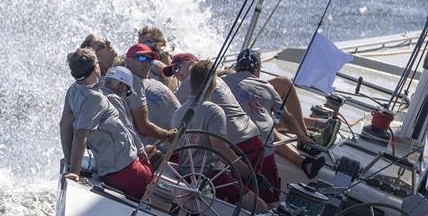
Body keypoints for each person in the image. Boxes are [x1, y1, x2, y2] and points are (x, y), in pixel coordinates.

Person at [169, 54, 280, 204]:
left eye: (177, 68)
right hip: (252, 138)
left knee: (244, 197)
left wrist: (250, 175)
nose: (176, 75)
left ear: (190, 65)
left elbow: (170, 105)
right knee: (251, 196)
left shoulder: (190, 84)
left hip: (238, 145)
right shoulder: (218, 80)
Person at [59, 48, 152, 199]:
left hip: (109, 171)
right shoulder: (95, 98)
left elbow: (64, 126)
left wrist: (69, 162)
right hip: (127, 171)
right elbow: (80, 134)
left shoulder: (73, 90)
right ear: (95, 68)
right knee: (155, 183)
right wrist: (74, 172)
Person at [222, 48, 324, 179]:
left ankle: (303, 154)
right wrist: (302, 136)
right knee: (264, 125)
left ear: (236, 68)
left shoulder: (222, 81)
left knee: (263, 119)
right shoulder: (266, 87)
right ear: (258, 70)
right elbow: (288, 119)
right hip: (249, 140)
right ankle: (303, 155)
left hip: (232, 132)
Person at [124, 43, 179, 147]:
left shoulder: (115, 77)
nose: (147, 64)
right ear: (129, 61)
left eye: (149, 61)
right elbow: (143, 127)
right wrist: (168, 135)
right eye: (142, 58)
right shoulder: (134, 81)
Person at [100, 65, 155, 167]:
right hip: (113, 162)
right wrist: (142, 150)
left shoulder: (95, 93)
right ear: (121, 85)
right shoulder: (113, 99)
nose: (126, 94)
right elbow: (127, 128)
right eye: (128, 90)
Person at [137, 25, 178, 91]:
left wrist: (162, 71)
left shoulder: (165, 56)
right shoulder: (138, 58)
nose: (142, 47)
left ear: (159, 43)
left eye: (146, 43)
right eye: (140, 45)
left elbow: (174, 85)